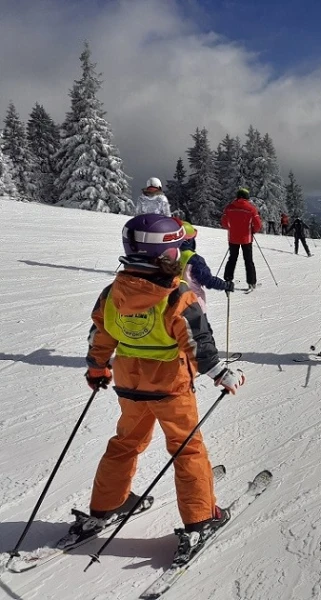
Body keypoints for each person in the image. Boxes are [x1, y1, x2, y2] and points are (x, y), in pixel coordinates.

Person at [82, 214, 245, 565]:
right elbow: (196, 341)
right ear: (168, 254)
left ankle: (106, 504)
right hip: (170, 387)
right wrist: (220, 372)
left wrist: (98, 366)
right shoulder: (175, 294)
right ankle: (200, 519)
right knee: (187, 450)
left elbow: (102, 332)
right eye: (174, 248)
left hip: (129, 383)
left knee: (125, 442)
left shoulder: (113, 292)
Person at [177, 220, 235, 313]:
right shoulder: (195, 260)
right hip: (193, 306)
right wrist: (225, 285)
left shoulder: (167, 256)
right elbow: (208, 280)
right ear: (189, 240)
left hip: (172, 306)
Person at [221, 188, 262, 292]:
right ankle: (251, 283)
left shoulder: (229, 207)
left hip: (233, 238)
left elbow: (224, 223)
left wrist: (232, 229)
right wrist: (252, 231)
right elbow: (258, 224)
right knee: (248, 261)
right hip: (246, 239)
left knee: (232, 259)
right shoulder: (251, 209)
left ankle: (228, 280)